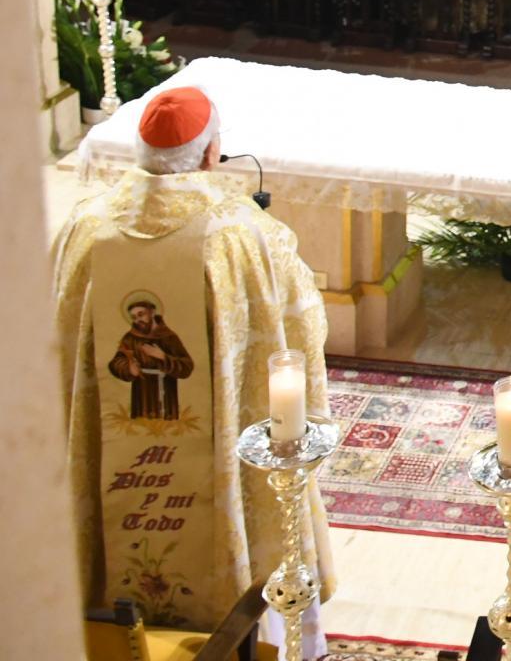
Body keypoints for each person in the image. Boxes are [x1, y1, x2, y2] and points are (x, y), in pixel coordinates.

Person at [52, 87, 332, 654]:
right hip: (212, 451)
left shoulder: (85, 227)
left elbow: (52, 339)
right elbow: (301, 329)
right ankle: (252, 643)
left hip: (119, 453)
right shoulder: (243, 233)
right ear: (209, 154)